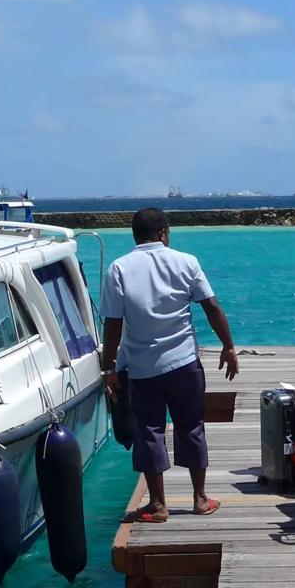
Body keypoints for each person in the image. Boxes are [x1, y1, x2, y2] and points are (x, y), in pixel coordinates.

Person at [99, 207, 240, 523]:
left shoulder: (119, 269)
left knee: (149, 431)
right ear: (163, 233)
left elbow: (113, 323)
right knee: (191, 427)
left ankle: (159, 505)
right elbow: (211, 306)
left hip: (143, 369)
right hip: (184, 363)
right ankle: (200, 499)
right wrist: (228, 346)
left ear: (135, 235)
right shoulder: (186, 262)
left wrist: (109, 368)